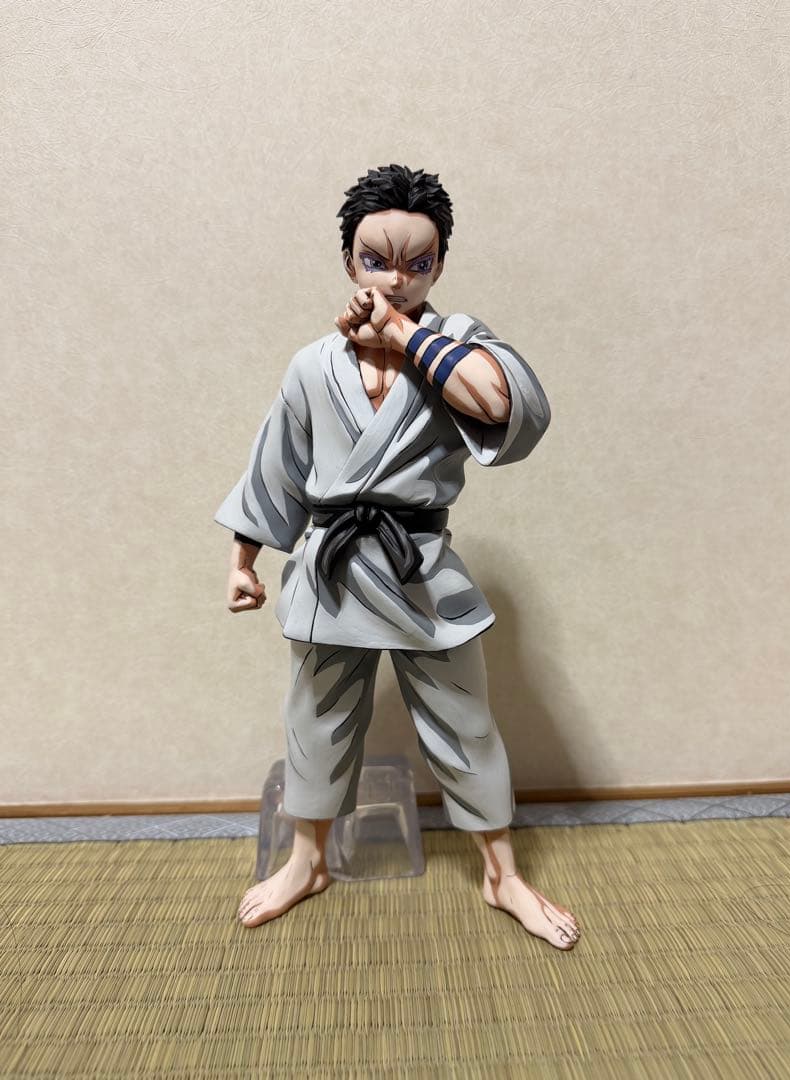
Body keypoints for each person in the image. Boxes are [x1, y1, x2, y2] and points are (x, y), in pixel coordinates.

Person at [215, 165, 580, 949]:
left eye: (418, 263)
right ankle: (308, 860)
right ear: (349, 259)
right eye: (376, 261)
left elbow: (502, 405)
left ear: (440, 264)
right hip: (332, 565)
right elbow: (276, 463)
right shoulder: (314, 363)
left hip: (420, 568)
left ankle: (501, 874)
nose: (396, 278)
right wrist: (245, 558)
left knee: (464, 722)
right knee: (315, 719)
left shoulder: (457, 344)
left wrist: (405, 334)